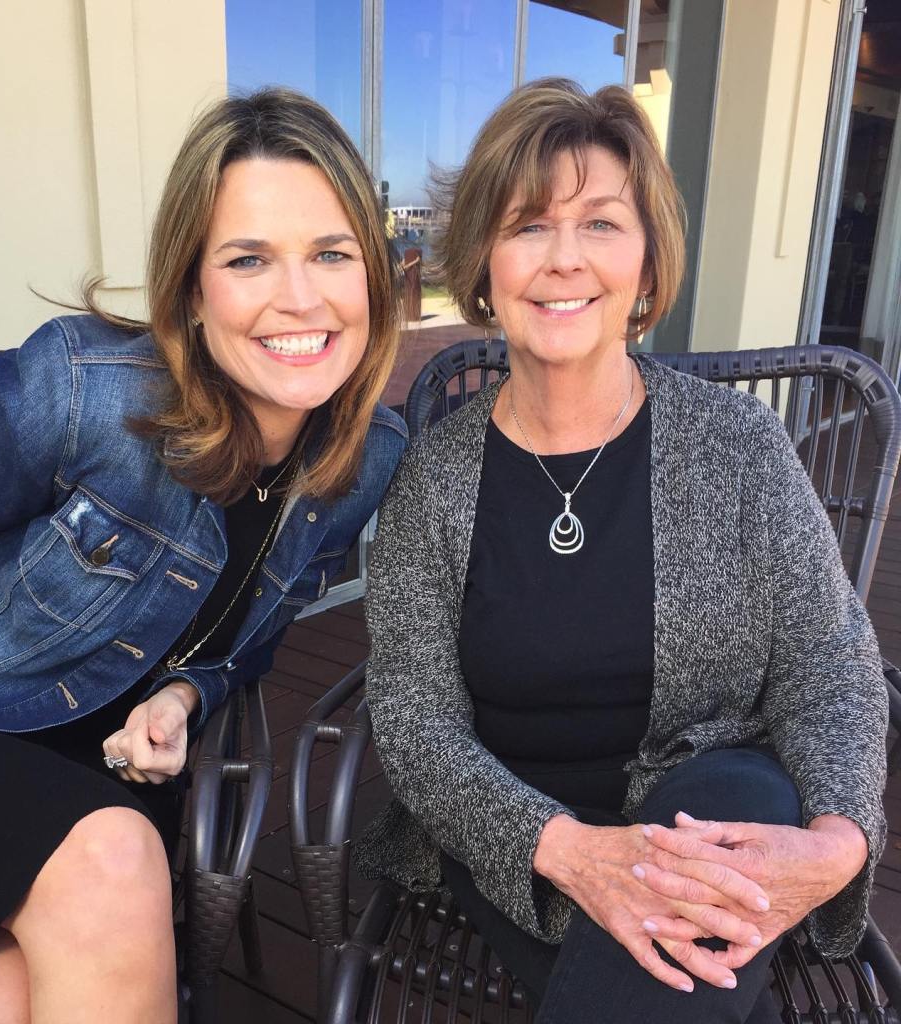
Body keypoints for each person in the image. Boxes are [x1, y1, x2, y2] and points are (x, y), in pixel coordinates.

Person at [356, 78, 885, 1024]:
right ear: (483, 261)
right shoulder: (432, 478)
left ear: (646, 263)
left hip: (715, 806)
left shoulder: (738, 448)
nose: (564, 261)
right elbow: (412, 718)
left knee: (710, 853)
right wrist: (571, 850)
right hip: (518, 839)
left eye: (601, 224)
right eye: (527, 226)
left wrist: (841, 842)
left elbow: (832, 673)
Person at [0, 87, 406, 1024]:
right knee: (114, 855)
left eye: (332, 253)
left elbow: (259, 632)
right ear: (192, 291)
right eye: (249, 259)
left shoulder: (362, 461)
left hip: (101, 777)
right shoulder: (77, 394)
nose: (302, 296)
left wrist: (186, 692)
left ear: (375, 276)